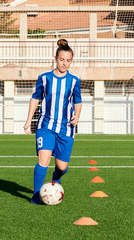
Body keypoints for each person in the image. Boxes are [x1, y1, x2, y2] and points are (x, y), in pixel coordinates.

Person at [23, 39, 82, 204]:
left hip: (66, 128)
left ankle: (56, 179)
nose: (64, 63)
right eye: (62, 60)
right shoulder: (44, 78)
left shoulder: (74, 80)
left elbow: (78, 100)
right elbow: (35, 98)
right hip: (45, 125)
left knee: (62, 166)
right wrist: (28, 121)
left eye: (68, 61)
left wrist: (77, 115)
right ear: (56, 59)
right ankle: (36, 196)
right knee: (44, 159)